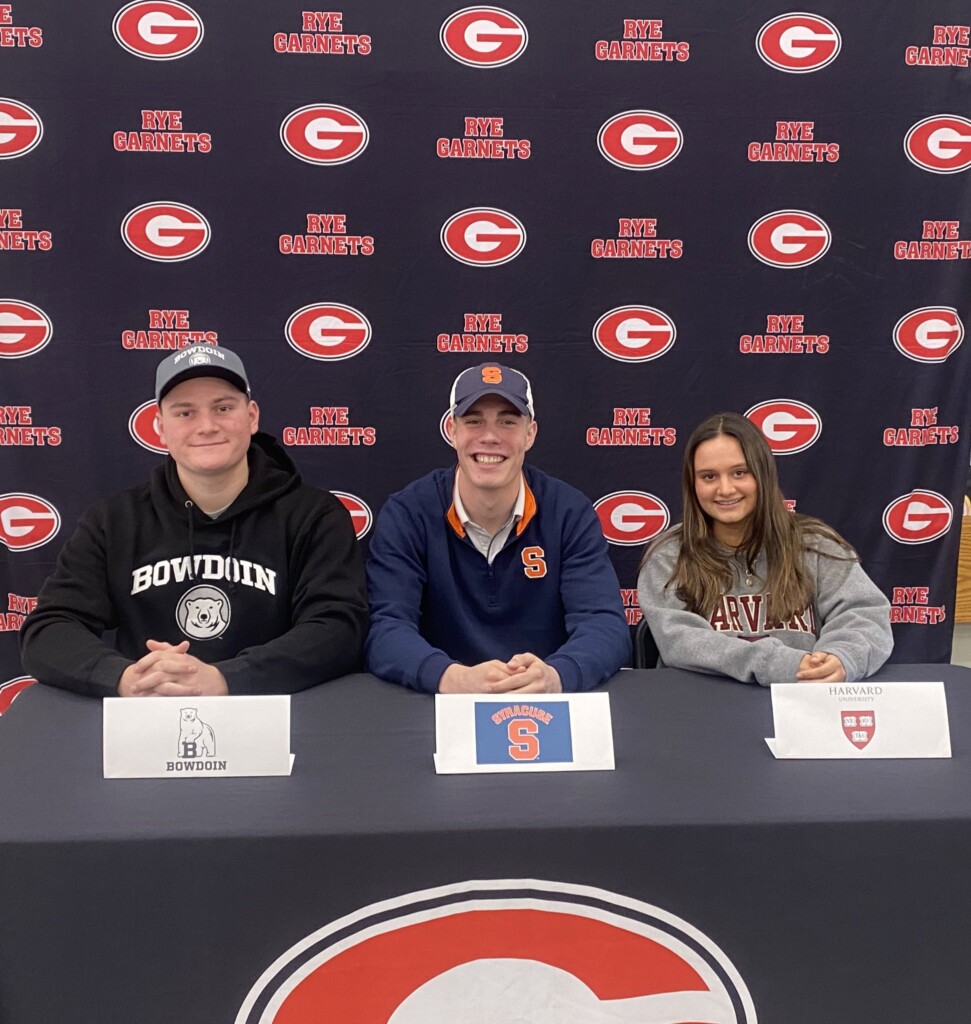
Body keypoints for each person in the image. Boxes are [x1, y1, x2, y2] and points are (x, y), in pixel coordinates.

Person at [20, 344, 368, 698]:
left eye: (223, 408)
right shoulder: (113, 521)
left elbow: (339, 629)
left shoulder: (314, 515)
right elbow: (49, 629)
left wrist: (226, 679)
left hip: (279, 723)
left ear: (252, 417)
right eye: (185, 413)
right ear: (158, 427)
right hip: (147, 720)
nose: (206, 426)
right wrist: (127, 678)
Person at [365, 362, 631, 694]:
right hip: (439, 710)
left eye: (507, 421)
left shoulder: (569, 512)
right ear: (452, 430)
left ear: (530, 433)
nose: (490, 437)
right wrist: (453, 678)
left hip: (547, 710)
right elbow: (385, 628)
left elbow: (604, 625)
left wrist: (555, 676)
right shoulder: (409, 513)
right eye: (474, 421)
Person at [637, 411, 893, 685]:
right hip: (700, 711)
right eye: (709, 477)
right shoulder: (669, 555)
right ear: (693, 484)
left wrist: (839, 657)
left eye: (739, 473)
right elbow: (679, 640)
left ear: (763, 475)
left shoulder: (815, 545)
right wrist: (777, 664)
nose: (725, 489)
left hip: (801, 705)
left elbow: (864, 614)